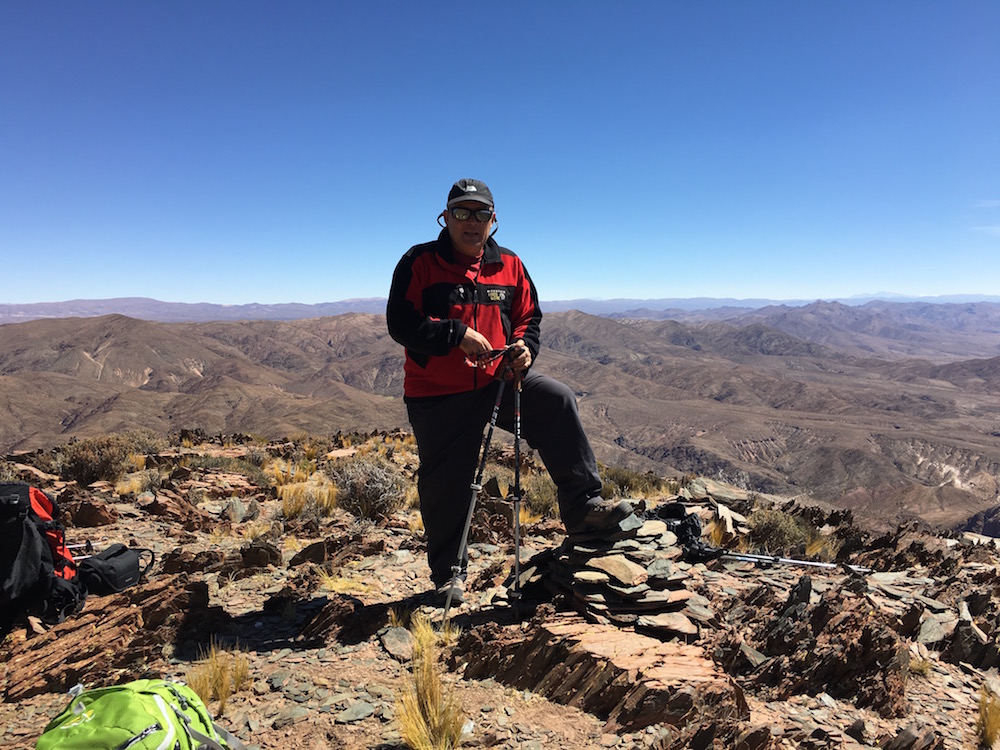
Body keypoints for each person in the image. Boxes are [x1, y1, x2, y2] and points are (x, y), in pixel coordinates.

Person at [387, 178, 634, 605]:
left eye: (481, 213)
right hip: (438, 392)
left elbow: (528, 317)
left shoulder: (511, 264)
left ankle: (583, 508)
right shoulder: (419, 261)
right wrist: (455, 334)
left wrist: (524, 350)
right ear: (445, 218)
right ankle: (449, 572)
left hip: (499, 381)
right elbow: (401, 323)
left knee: (556, 400)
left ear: (493, 220)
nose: (471, 221)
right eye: (462, 212)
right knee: (447, 479)